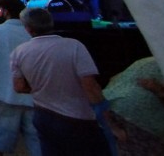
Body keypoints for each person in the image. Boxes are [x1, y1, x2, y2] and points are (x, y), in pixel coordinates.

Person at [10, 8, 121, 155]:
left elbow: (19, 87)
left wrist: (43, 87)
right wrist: (108, 120)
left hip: (43, 116)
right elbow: (90, 86)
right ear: (51, 22)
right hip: (77, 118)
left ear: (28, 29)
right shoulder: (74, 46)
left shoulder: (19, 52)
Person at [0, 0, 40, 156]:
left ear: (4, 11)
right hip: (33, 95)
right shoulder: (33, 33)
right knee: (36, 141)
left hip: (3, 93)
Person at [103, 57, 164, 155]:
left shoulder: (151, 59)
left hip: (108, 105)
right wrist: (160, 92)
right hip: (139, 120)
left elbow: (114, 78)